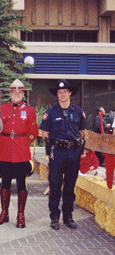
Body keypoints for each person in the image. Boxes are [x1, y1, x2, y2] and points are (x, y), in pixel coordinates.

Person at [40, 79, 87, 230]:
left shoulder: (79, 112)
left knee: (70, 185)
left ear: (70, 93)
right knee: (54, 184)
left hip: (73, 152)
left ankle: (68, 216)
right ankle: (54, 217)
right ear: (57, 95)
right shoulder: (50, 113)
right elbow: (44, 133)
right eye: (59, 92)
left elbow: (82, 133)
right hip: (57, 152)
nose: (62, 95)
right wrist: (51, 148)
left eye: (64, 92)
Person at [0, 79, 38, 228]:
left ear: (23, 94)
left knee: (21, 183)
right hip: (5, 149)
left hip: (21, 151)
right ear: (10, 93)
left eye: (20, 92)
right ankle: (4, 214)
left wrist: (22, 142)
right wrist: (6, 139)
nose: (17, 95)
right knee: (5, 181)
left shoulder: (30, 111)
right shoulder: (2, 108)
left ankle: (20, 215)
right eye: (14, 92)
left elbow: (33, 133)